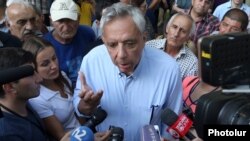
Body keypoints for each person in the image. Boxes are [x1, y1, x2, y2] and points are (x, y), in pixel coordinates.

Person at [73, 3, 183, 141]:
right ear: (104, 41)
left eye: (130, 43)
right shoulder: (91, 60)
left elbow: (173, 124)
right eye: (112, 45)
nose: (121, 55)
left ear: (144, 39)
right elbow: (79, 106)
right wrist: (85, 107)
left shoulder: (169, 69)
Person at [182, 9, 249, 116]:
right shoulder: (208, 43)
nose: (227, 31)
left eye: (234, 29)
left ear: (243, 32)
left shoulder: (244, 57)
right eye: (225, 25)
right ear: (220, 24)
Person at [22, 37, 80, 141]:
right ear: (33, 68)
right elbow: (61, 136)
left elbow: (78, 113)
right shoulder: (37, 98)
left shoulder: (63, 76)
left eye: (54, 58)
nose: (54, 66)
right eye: (45, 64)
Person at [44, 0, 96, 88]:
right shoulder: (44, 44)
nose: (66, 27)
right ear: (51, 21)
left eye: (70, 20)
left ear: (78, 18)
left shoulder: (88, 33)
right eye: (60, 21)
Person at [146, 13, 198, 79]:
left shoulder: (192, 64)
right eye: (174, 27)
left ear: (188, 37)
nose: (176, 34)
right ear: (167, 28)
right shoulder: (149, 47)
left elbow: (187, 89)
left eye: (183, 31)